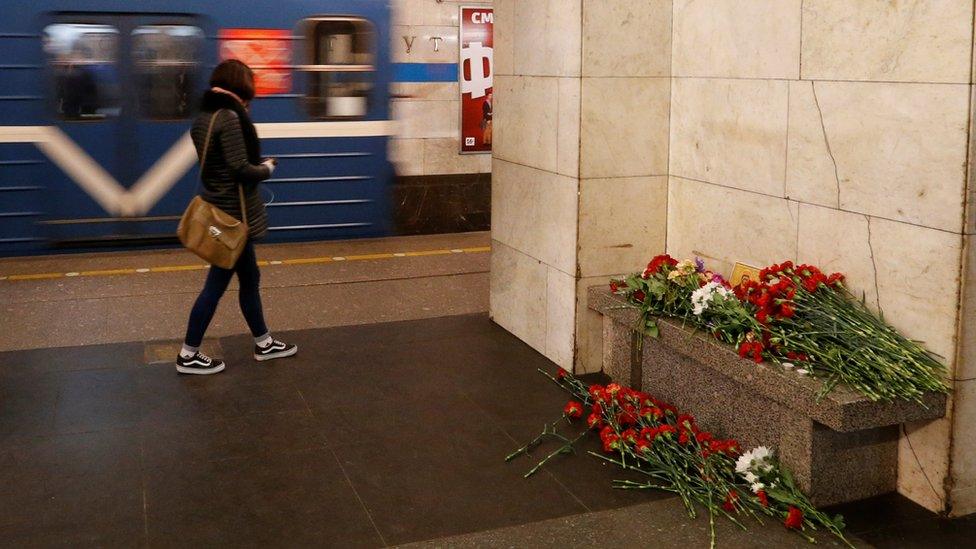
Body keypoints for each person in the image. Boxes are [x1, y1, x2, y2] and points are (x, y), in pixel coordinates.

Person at [176, 59, 297, 375]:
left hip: (222, 210)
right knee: (216, 286)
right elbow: (240, 169)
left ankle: (264, 342)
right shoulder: (229, 118)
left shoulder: (203, 117)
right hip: (234, 218)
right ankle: (188, 354)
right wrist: (267, 168)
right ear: (241, 86)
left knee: (250, 278)